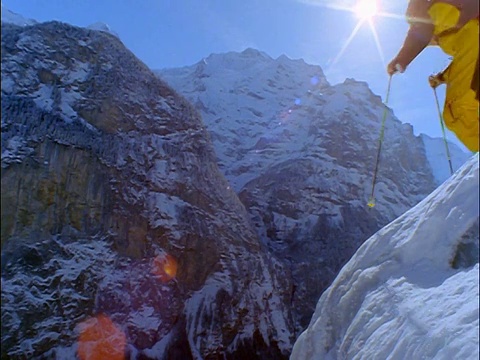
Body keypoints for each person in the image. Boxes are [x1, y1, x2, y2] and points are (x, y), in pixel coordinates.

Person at [387, 0, 479, 152]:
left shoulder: (422, 6)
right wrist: (441, 78)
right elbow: (468, 65)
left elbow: (422, 29)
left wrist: (401, 60)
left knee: (457, 112)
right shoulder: (456, 29)